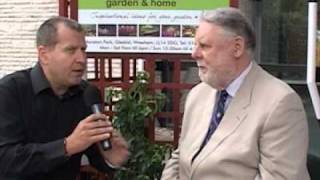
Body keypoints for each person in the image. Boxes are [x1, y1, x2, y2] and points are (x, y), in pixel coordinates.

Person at [161, 7, 310, 180]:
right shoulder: (197, 94)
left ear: (237, 48)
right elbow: (180, 158)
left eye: (204, 46)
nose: (194, 54)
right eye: (195, 45)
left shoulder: (280, 103)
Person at [0, 16, 129, 179]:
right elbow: (5, 159)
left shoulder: (86, 94)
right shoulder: (9, 91)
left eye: (83, 50)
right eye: (71, 50)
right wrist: (66, 146)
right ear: (44, 54)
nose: (81, 59)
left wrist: (111, 159)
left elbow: (93, 155)